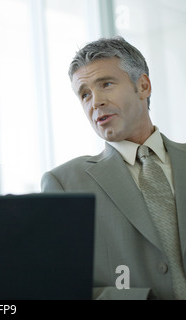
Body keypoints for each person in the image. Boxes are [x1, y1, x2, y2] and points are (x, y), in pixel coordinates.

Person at [41, 36, 186, 300]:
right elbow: (59, 284)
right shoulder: (64, 184)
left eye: (106, 84)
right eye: (84, 94)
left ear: (143, 86)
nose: (95, 101)